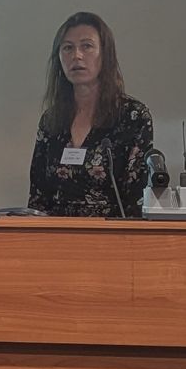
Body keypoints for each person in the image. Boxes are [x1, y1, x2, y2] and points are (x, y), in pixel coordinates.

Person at [28, 11, 153, 217]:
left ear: (106, 54)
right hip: (55, 240)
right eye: (67, 48)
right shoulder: (51, 121)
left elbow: (136, 199)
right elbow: (38, 198)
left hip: (111, 239)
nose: (76, 55)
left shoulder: (133, 116)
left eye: (87, 46)